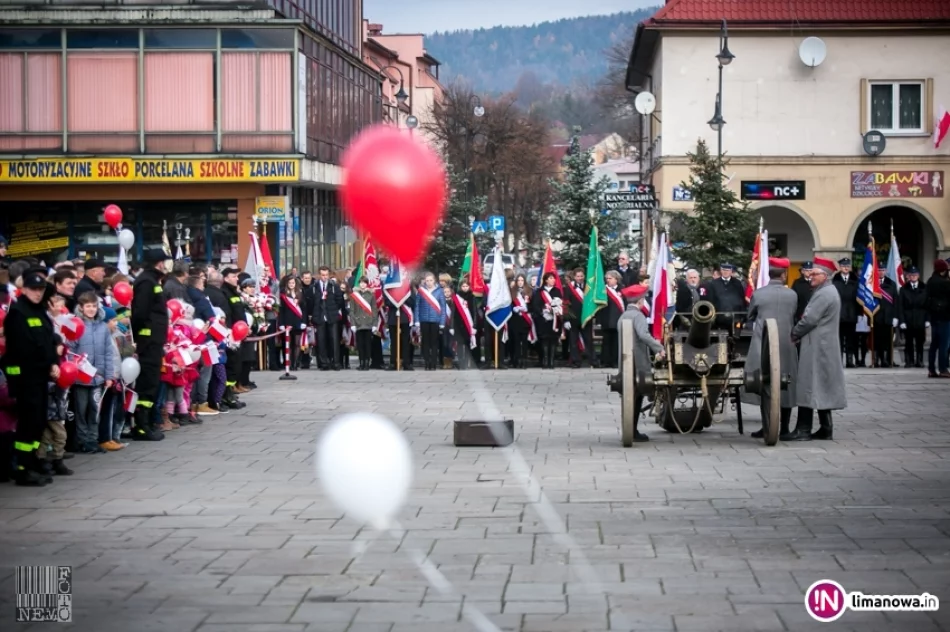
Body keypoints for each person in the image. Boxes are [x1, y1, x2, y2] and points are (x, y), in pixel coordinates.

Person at [2, 268, 60, 485]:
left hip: (40, 375)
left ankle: (33, 461)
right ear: (23, 289)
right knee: (28, 423)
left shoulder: (40, 312)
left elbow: (48, 341)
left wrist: (54, 362)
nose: (38, 293)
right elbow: (25, 349)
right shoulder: (18, 313)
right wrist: (48, 364)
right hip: (25, 378)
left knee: (39, 422)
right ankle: (22, 466)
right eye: (33, 289)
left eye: (40, 289)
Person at [786, 257, 846, 441]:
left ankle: (803, 430)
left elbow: (809, 319)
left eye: (815, 273)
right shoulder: (827, 290)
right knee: (821, 386)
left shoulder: (824, 293)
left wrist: (794, 333)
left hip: (817, 345)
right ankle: (826, 428)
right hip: (823, 345)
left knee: (808, 385)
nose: (811, 275)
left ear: (825, 276)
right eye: (811, 272)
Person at [744, 258, 798, 440]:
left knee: (763, 382)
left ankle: (766, 424)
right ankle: (784, 428)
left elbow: (750, 314)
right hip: (787, 343)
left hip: (763, 343)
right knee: (787, 385)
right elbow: (795, 315)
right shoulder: (792, 295)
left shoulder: (759, 294)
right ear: (783, 275)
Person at [130, 249, 172, 441]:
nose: (165, 265)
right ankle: (141, 425)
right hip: (149, 341)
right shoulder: (146, 282)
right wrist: (144, 337)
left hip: (154, 340)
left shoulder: (154, 280)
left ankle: (146, 422)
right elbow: (140, 313)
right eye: (163, 261)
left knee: (152, 382)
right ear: (157, 262)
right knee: (147, 383)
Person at [68, 293, 118, 453]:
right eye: (88, 306)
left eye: (94, 306)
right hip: (81, 378)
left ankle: (92, 439)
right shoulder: (76, 325)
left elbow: (108, 353)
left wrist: (109, 375)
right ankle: (83, 440)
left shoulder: (102, 327)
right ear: (81, 308)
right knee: (81, 410)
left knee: (95, 410)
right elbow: (71, 352)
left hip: (98, 377)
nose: (91, 309)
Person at [618, 283, 665, 442]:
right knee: (637, 397)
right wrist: (659, 348)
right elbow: (644, 335)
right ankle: (633, 431)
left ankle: (631, 429)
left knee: (631, 397)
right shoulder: (638, 316)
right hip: (636, 362)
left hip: (625, 362)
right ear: (640, 301)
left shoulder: (623, 315)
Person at [219, 268, 248, 409]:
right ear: (225, 278)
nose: (237, 278)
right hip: (231, 335)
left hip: (239, 333)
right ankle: (226, 395)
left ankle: (229, 392)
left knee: (236, 365)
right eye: (233, 276)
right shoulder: (224, 292)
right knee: (232, 365)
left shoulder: (233, 291)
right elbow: (229, 314)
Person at [312, 266, 344, 371]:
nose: (324, 277)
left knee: (334, 340)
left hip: (332, 316)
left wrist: (333, 309)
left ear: (329, 275)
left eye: (326, 275)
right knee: (321, 340)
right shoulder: (315, 286)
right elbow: (311, 302)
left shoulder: (334, 286)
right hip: (320, 316)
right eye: (322, 275)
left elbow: (340, 300)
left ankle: (335, 363)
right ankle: (324, 363)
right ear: (319, 275)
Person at [414, 272, 446, 371]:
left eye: (431, 280)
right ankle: (427, 361)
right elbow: (417, 306)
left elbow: (443, 307)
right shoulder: (421, 291)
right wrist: (417, 320)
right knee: (425, 342)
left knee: (434, 342)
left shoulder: (440, 291)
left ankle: (433, 363)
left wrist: (442, 322)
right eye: (427, 280)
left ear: (434, 281)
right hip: (424, 320)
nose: (429, 282)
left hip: (435, 320)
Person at [530, 272, 563, 369]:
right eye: (551, 278)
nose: (553, 280)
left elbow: (560, 303)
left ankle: (551, 361)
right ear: (546, 280)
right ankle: (544, 361)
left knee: (553, 340)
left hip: (554, 320)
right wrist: (543, 311)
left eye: (554, 278)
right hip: (543, 320)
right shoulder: (539, 292)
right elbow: (535, 305)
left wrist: (555, 310)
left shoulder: (557, 291)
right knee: (544, 340)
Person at [564, 268, 596, 368]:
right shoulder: (569, 288)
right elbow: (565, 304)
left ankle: (593, 361)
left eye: (581, 276)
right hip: (573, 318)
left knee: (589, 340)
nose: (580, 278)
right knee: (573, 342)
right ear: (574, 277)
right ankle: (575, 361)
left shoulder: (589, 287)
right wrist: (566, 319)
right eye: (578, 276)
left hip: (586, 318)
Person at [898, 266, 928, 369]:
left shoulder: (924, 288)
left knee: (920, 342)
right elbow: (900, 306)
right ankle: (908, 361)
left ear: (918, 276)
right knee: (909, 342)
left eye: (915, 275)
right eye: (911, 275)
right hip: (908, 318)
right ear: (908, 276)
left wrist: (928, 319)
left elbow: (928, 305)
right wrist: (901, 321)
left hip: (920, 318)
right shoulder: (903, 289)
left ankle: (919, 360)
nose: (913, 277)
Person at [832, 258, 859, 368]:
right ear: (840, 267)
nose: (846, 268)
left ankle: (849, 360)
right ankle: (839, 361)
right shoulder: (835, 280)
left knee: (850, 340)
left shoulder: (855, 280)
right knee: (838, 339)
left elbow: (858, 299)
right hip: (839, 314)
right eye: (843, 266)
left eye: (847, 266)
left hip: (851, 314)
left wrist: (860, 313)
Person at [926, 259, 950, 378]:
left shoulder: (930, 281)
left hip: (934, 317)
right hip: (945, 316)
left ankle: (931, 369)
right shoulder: (945, 283)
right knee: (944, 344)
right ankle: (943, 369)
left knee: (934, 344)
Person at [704, 263, 746, 329]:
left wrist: (743, 316)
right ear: (721, 271)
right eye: (724, 270)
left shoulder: (737, 283)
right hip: (719, 318)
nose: (725, 272)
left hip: (735, 317)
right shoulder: (714, 283)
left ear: (731, 271)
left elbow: (741, 300)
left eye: (727, 270)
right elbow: (710, 300)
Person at [872, 261, 898, 368]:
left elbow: (896, 301)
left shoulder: (891, 283)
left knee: (888, 340)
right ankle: (877, 359)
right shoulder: (872, 283)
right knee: (877, 340)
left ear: (886, 271)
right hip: (876, 316)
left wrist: (896, 316)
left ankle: (887, 360)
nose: (881, 272)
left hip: (888, 316)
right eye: (879, 270)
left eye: (882, 270)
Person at [278, 274, 306, 371]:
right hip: (287, 321)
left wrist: (304, 321)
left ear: (295, 284)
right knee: (288, 344)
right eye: (289, 283)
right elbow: (281, 310)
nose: (291, 284)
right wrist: (281, 323)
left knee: (297, 344)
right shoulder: (283, 294)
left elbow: (304, 309)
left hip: (298, 321)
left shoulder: (300, 293)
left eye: (293, 283)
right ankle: (288, 364)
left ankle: (295, 363)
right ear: (287, 284)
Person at [349, 277, 378, 371]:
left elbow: (374, 310)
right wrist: (352, 323)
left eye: (364, 283)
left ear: (367, 284)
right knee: (360, 345)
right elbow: (352, 310)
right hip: (358, 323)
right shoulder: (354, 295)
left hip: (368, 323)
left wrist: (374, 324)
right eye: (361, 283)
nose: (362, 284)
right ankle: (361, 362)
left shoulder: (371, 295)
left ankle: (367, 362)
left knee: (368, 345)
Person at [599, 270, 624, 369]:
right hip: (606, 319)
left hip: (618, 320)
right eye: (607, 278)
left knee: (616, 342)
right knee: (606, 342)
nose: (607, 280)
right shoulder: (603, 290)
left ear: (616, 279)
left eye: (610, 278)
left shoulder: (622, 290)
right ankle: (605, 361)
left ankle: (615, 361)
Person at [452, 277, 478, 370]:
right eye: (463, 286)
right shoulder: (456, 297)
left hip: (469, 324)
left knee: (468, 344)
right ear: (460, 287)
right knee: (460, 344)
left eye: (467, 286)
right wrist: (452, 326)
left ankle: (468, 363)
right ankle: (461, 362)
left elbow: (475, 311)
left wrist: (474, 325)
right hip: (458, 325)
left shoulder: (472, 297)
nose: (465, 288)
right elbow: (453, 312)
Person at [509, 273, 534, 369]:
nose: (520, 282)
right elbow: (509, 304)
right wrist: (514, 308)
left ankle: (524, 360)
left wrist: (527, 309)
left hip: (525, 320)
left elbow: (532, 305)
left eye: (522, 280)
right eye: (518, 280)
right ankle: (517, 360)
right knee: (516, 341)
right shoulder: (512, 292)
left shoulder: (529, 291)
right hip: (515, 320)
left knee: (524, 341)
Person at [298, 270, 316, 369]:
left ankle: (309, 358)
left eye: (309, 278)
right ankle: (303, 360)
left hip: (313, 316)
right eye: (305, 278)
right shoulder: (299, 289)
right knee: (303, 339)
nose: (307, 280)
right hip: (302, 317)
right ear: (302, 278)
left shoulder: (314, 287)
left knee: (312, 340)